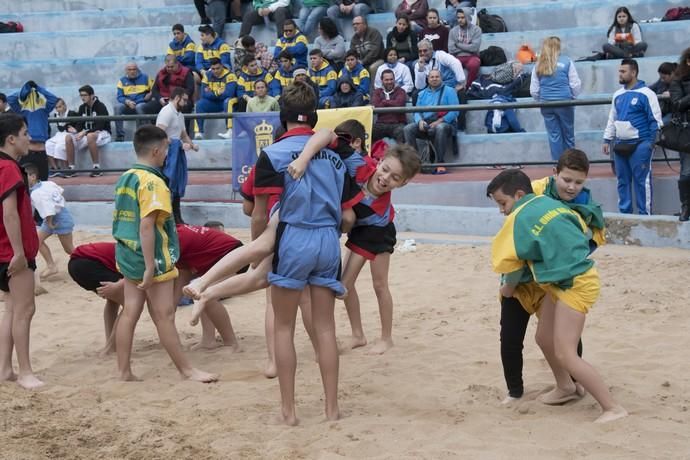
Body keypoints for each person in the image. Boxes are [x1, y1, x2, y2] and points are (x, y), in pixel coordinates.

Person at [253, 81, 360, 425]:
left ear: (282, 119)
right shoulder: (335, 154)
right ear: (312, 117)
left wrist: (259, 253)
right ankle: (332, 409)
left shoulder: (272, 154)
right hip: (328, 240)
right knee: (325, 329)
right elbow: (348, 215)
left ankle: (290, 411)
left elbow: (258, 213)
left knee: (284, 327)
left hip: (293, 237)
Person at [487, 168, 628, 424]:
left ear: (519, 195)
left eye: (502, 203)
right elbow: (581, 229)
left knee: (566, 352)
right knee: (543, 337)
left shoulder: (518, 217)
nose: (502, 210)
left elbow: (508, 262)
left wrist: (506, 290)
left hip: (574, 283)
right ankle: (566, 387)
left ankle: (612, 407)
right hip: (561, 281)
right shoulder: (549, 202)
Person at [291, 131, 422, 354]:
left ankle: (386, 338)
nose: (385, 178)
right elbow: (328, 135)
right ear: (379, 161)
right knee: (346, 285)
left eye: (395, 178)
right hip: (361, 228)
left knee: (373, 285)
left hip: (378, 232)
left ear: (404, 183)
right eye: (385, 169)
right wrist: (304, 157)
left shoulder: (379, 210)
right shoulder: (360, 165)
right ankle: (358, 335)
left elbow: (368, 234)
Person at [497, 149, 605, 403]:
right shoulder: (532, 192)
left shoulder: (586, 205)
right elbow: (512, 231)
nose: (572, 187)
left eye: (579, 182)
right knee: (511, 335)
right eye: (567, 179)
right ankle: (515, 392)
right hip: (521, 276)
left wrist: (574, 241)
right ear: (555, 172)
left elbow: (591, 238)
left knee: (562, 338)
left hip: (555, 280)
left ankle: (574, 383)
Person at [111, 125, 217, 383]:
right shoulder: (153, 182)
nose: (168, 154)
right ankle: (187, 370)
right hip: (152, 257)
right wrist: (150, 265)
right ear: (157, 150)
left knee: (130, 312)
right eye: (167, 149)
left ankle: (124, 371)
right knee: (164, 315)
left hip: (127, 252)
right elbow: (147, 225)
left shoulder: (126, 176)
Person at [0, 113, 43, 389]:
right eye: (25, 133)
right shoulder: (10, 169)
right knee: (25, 310)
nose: (29, 138)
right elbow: (10, 214)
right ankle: (25, 371)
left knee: (11, 309)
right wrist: (18, 253)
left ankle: (5, 368)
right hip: (12, 253)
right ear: (11, 139)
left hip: (3, 251)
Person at [603, 58, 662, 215]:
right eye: (619, 71)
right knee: (622, 181)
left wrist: (652, 142)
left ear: (634, 72)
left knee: (642, 182)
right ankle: (625, 216)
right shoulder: (618, 94)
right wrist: (607, 139)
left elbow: (655, 120)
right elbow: (612, 118)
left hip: (641, 144)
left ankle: (645, 216)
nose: (620, 74)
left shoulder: (647, 94)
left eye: (623, 71)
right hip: (620, 143)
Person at [530, 36, 582, 162]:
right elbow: (575, 84)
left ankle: (557, 165)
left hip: (546, 103)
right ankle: (571, 163)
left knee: (554, 135)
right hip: (565, 102)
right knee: (568, 134)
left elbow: (534, 90)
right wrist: (572, 97)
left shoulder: (538, 65)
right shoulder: (567, 61)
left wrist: (541, 99)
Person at [156, 87, 199, 224]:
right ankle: (168, 218)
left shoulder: (179, 115)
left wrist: (192, 145)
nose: (185, 103)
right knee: (167, 186)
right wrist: (179, 145)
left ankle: (177, 218)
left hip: (176, 155)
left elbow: (183, 134)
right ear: (177, 98)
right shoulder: (166, 112)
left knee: (176, 186)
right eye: (184, 100)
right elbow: (159, 134)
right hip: (167, 157)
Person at [404, 69, 459, 174]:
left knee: (440, 128)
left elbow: (455, 111)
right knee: (408, 129)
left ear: (441, 78)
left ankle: (440, 163)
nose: (434, 79)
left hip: (445, 123)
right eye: (432, 77)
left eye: (437, 77)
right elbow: (416, 112)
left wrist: (439, 121)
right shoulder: (421, 94)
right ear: (428, 79)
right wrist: (420, 121)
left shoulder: (450, 91)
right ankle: (414, 163)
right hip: (426, 123)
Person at [25, 163, 75, 279]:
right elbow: (60, 192)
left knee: (69, 249)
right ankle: (51, 266)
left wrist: (50, 222)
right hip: (57, 216)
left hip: (57, 219)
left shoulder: (36, 193)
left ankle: (89, 261)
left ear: (33, 176)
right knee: (36, 241)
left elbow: (48, 209)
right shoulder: (49, 183)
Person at [7, 81, 59, 181]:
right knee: (24, 182)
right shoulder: (21, 110)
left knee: (43, 182)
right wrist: (24, 90)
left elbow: (53, 99)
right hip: (27, 152)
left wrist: (38, 88)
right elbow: (10, 99)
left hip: (41, 152)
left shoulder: (44, 109)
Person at [65, 85, 111, 178]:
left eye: (85, 95)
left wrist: (84, 132)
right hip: (88, 133)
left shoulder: (100, 106)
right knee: (68, 137)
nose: (82, 97)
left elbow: (100, 126)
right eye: (81, 95)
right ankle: (71, 168)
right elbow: (80, 124)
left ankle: (97, 168)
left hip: (103, 133)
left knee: (90, 136)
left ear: (92, 95)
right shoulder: (82, 107)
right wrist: (76, 130)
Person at [143, 55, 195, 127]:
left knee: (185, 107)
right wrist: (160, 98)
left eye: (172, 67)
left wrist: (176, 100)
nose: (169, 69)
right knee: (146, 108)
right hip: (164, 99)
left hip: (180, 99)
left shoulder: (186, 72)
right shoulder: (161, 73)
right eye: (168, 67)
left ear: (177, 64)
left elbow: (190, 89)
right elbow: (154, 89)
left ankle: (184, 132)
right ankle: (157, 131)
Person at [669, 47, 690, 221]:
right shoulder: (678, 80)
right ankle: (686, 206)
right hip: (687, 131)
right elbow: (677, 104)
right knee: (687, 173)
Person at [194, 58, 237, 139]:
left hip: (225, 103)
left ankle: (230, 131)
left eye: (218, 68)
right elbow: (203, 94)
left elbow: (229, 93)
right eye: (213, 69)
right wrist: (217, 93)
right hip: (213, 103)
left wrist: (211, 92)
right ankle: (199, 132)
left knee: (228, 101)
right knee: (199, 104)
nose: (215, 71)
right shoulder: (207, 75)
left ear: (222, 66)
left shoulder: (230, 75)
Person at [114, 62, 153, 142]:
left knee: (140, 107)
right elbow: (119, 96)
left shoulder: (146, 77)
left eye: (134, 69)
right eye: (130, 69)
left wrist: (149, 95)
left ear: (137, 69)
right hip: (128, 104)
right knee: (117, 107)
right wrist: (127, 102)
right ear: (126, 71)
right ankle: (120, 136)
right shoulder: (122, 81)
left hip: (141, 102)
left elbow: (154, 90)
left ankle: (141, 135)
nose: (132, 71)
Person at [448, 7, 481, 87]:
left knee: (474, 64)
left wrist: (458, 44)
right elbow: (451, 49)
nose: (460, 20)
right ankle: (452, 89)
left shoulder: (476, 30)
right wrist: (468, 46)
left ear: (468, 17)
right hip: (457, 57)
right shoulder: (453, 31)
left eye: (462, 17)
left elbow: (474, 48)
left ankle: (468, 87)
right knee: (447, 64)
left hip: (471, 57)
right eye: (458, 17)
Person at [372, 69, 407, 143]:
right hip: (381, 124)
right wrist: (392, 102)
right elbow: (376, 106)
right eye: (386, 80)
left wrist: (384, 101)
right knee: (370, 131)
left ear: (394, 79)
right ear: (382, 80)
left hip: (397, 123)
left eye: (391, 79)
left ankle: (401, 154)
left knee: (401, 131)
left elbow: (399, 104)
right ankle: (372, 154)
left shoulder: (401, 91)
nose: (389, 82)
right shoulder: (377, 92)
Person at [45, 98, 79, 175]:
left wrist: (74, 129)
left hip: (70, 134)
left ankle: (67, 169)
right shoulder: (56, 115)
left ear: (64, 105)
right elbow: (60, 128)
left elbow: (77, 125)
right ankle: (55, 168)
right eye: (56, 107)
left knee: (59, 147)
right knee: (48, 144)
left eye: (59, 107)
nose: (58, 109)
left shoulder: (72, 113)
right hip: (60, 134)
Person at [349, 16, 385, 83]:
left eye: (357, 24)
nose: (355, 26)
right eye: (353, 24)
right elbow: (352, 53)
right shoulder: (354, 38)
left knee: (372, 68)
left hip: (378, 60)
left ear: (365, 25)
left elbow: (375, 52)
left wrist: (363, 62)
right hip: (362, 62)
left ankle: (372, 91)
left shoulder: (374, 33)